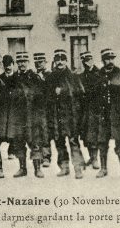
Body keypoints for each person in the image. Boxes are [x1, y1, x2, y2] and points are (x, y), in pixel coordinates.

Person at [4, 52, 48, 178]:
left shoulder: (35, 77)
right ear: (17, 63)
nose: (22, 64)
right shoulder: (13, 78)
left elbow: (41, 97)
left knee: (35, 141)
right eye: (20, 61)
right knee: (18, 142)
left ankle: (37, 168)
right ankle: (22, 168)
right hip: (18, 116)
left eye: (24, 61)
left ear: (28, 62)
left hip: (32, 115)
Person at [46, 49, 85, 179]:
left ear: (66, 61)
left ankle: (78, 168)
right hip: (56, 115)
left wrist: (62, 90)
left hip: (70, 115)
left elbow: (79, 93)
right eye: (58, 60)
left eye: (63, 59)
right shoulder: (50, 77)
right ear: (55, 61)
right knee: (59, 141)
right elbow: (46, 96)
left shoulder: (73, 76)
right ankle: (64, 167)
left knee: (73, 141)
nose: (60, 62)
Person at [96, 48, 120, 178]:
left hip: (118, 114)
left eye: (112, 58)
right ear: (103, 60)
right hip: (103, 113)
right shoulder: (98, 75)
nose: (110, 61)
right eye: (107, 59)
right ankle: (103, 168)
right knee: (102, 141)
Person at [77, 51, 101, 171]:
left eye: (89, 60)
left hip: (96, 109)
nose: (88, 63)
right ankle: (91, 158)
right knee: (86, 135)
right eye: (85, 61)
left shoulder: (99, 74)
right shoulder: (81, 76)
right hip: (85, 109)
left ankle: (95, 158)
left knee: (94, 135)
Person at [33, 52, 52, 167]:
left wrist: (42, 80)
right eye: (36, 62)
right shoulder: (33, 75)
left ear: (45, 62)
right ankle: (38, 156)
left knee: (45, 133)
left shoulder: (50, 75)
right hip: (35, 108)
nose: (39, 64)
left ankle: (46, 157)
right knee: (36, 133)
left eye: (41, 62)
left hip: (46, 108)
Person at [0, 55, 16, 161]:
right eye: (5, 65)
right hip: (3, 107)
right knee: (2, 127)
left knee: (13, 127)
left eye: (9, 65)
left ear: (13, 64)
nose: (7, 67)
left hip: (14, 107)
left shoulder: (17, 77)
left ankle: (12, 151)